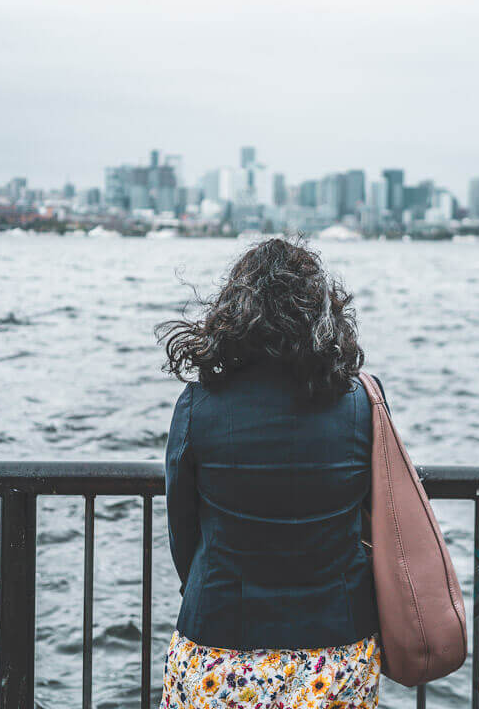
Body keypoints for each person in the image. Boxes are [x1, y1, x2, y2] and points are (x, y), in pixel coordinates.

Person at [156, 237, 381, 708]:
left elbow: (183, 533)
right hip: (337, 651)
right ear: (322, 314)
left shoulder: (197, 407)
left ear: (234, 311)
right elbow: (374, 516)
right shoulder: (360, 405)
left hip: (218, 646)